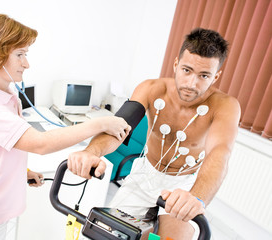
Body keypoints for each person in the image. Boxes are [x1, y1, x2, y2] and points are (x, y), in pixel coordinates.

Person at [0, 14, 131, 240]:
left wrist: (23, 173)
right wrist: (101, 123)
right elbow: (40, 143)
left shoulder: (6, 94)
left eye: (25, 55)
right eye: (20, 55)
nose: (26, 64)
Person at [68, 28, 241, 239]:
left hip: (184, 184)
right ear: (176, 65)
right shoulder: (150, 88)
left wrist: (197, 197)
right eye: (186, 70)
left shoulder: (225, 106)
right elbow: (119, 127)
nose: (191, 84)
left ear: (216, 76)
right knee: (109, 233)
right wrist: (91, 152)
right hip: (144, 174)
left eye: (204, 75)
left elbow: (220, 153)